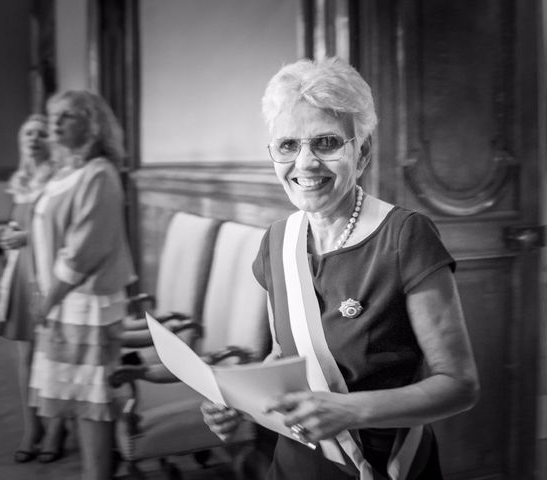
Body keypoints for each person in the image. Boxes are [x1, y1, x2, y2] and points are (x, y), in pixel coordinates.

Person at [201, 57, 480, 480]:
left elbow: (459, 385)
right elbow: (287, 356)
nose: (305, 163)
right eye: (288, 145)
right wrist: (238, 401)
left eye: (327, 143)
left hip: (389, 466)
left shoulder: (405, 237)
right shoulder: (275, 241)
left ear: (361, 153)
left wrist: (349, 410)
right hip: (297, 461)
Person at [28, 90, 137, 480]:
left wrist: (48, 299)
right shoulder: (63, 173)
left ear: (93, 125)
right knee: (78, 395)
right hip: (62, 301)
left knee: (92, 400)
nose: (56, 123)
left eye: (68, 116)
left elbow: (84, 250)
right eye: (53, 115)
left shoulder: (100, 174)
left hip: (87, 303)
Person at [0, 113, 63, 463]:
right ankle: (31, 427)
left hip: (49, 275)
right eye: (28, 133)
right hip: (21, 274)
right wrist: (9, 236)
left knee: (50, 355)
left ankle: (54, 429)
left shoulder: (58, 179)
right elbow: (18, 224)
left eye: (40, 133)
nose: (34, 139)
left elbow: (62, 230)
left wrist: (25, 237)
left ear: (50, 141)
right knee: (26, 357)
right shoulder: (20, 180)